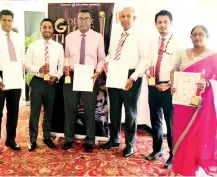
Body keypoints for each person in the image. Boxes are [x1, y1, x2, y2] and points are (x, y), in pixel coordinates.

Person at [100, 7, 149, 157]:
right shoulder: (116, 34)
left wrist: (133, 77)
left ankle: (130, 145)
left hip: (131, 76)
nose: (125, 19)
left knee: (130, 113)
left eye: (129, 16)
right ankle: (114, 139)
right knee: (114, 110)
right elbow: (109, 54)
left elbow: (146, 59)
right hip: (115, 74)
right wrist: (107, 63)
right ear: (119, 17)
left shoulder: (140, 35)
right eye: (123, 16)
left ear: (134, 18)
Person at [171, 25, 217, 176]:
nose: (197, 37)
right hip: (182, 102)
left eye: (201, 34)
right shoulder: (183, 53)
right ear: (190, 37)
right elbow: (174, 71)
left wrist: (208, 83)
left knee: (194, 136)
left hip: (200, 105)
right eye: (194, 34)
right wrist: (173, 85)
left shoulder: (213, 56)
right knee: (180, 133)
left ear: (207, 37)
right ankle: (178, 167)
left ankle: (189, 169)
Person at [145, 10, 184, 169]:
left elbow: (181, 67)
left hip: (170, 87)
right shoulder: (152, 43)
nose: (162, 25)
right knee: (155, 120)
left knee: (171, 123)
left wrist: (168, 84)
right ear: (155, 24)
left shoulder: (179, 44)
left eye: (165, 22)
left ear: (171, 23)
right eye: (159, 22)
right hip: (153, 85)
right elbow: (148, 62)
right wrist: (150, 78)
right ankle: (157, 150)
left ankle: (173, 155)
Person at [62, 9, 105, 153]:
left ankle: (89, 140)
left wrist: (98, 72)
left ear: (91, 21)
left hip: (90, 76)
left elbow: (102, 59)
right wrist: (66, 66)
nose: (83, 21)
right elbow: (66, 56)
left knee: (89, 110)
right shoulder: (69, 37)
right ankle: (69, 139)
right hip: (72, 75)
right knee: (70, 109)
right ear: (77, 19)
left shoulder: (98, 37)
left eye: (86, 18)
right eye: (81, 18)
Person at [0, 9, 25, 157]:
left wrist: (21, 68)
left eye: (9, 20)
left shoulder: (18, 37)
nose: (7, 23)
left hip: (14, 75)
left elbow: (22, 57)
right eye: (4, 20)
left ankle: (11, 140)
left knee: (14, 110)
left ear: (12, 21)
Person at [25, 18, 64, 151]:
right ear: (40, 28)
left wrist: (57, 77)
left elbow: (61, 66)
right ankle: (32, 140)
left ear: (53, 30)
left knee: (49, 112)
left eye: (49, 27)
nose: (47, 30)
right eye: (44, 27)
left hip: (51, 83)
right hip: (37, 82)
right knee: (34, 112)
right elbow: (26, 65)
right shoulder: (32, 46)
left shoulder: (59, 47)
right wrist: (38, 69)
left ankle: (47, 137)